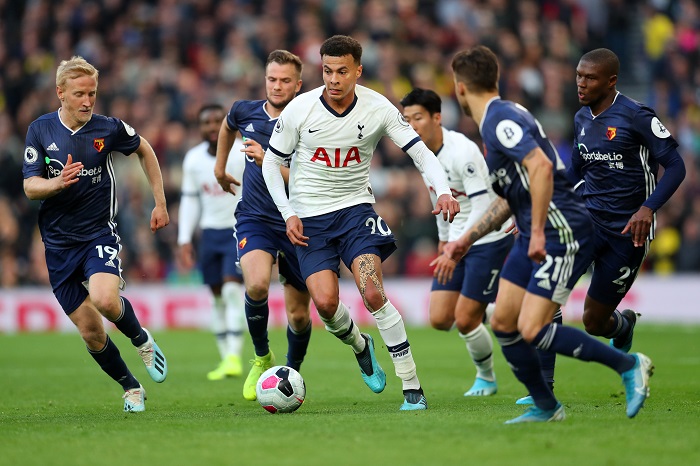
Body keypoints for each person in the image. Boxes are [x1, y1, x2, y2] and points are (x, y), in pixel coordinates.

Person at [435, 45, 653, 423]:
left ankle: (629, 365)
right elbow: (509, 197)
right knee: (503, 322)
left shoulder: (499, 120)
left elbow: (539, 167)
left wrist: (536, 231)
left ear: (460, 89)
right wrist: (463, 241)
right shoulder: (500, 119)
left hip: (560, 229)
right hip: (535, 232)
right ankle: (547, 406)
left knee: (533, 326)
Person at [262, 35, 460, 411]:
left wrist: (444, 190)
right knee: (324, 302)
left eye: (341, 71)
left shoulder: (378, 107)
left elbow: (420, 152)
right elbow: (272, 163)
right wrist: (288, 212)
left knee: (372, 293)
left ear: (358, 71)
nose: (333, 79)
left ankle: (412, 387)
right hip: (309, 219)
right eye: (326, 71)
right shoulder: (300, 109)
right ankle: (360, 345)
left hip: (355, 213)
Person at [516, 48, 687, 407]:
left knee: (594, 321)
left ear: (611, 81)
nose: (581, 82)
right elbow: (574, 173)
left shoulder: (637, 115)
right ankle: (543, 391)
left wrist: (647, 208)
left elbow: (675, 166)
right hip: (586, 222)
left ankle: (622, 326)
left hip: (630, 231)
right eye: (578, 75)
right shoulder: (580, 118)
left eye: (590, 77)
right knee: (548, 296)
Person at [22, 56, 168, 413]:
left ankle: (141, 338)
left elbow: (145, 150)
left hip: (97, 233)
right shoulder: (40, 130)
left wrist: (159, 203)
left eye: (92, 93)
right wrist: (55, 183)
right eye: (79, 94)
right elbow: (29, 187)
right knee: (91, 332)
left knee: (105, 300)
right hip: (57, 245)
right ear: (60, 93)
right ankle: (130, 387)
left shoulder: (108, 128)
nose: (88, 101)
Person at [400, 88, 514, 397]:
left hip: (487, 236)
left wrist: (458, 244)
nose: (411, 126)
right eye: (406, 119)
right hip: (456, 241)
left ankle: (486, 377)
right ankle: (499, 312)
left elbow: (481, 206)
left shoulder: (462, 152)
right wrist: (443, 239)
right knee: (439, 318)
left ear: (437, 117)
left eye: (418, 118)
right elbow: (439, 199)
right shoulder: (421, 153)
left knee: (464, 320)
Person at [215, 50, 313, 401]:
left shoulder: (310, 121)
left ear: (298, 85)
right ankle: (261, 357)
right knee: (256, 285)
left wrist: (269, 161)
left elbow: (311, 180)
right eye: (272, 79)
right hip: (255, 218)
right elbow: (227, 126)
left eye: (286, 80)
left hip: (297, 222)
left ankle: (291, 372)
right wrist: (218, 167)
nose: (277, 86)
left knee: (299, 316)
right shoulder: (246, 110)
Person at [178, 104, 247, 381]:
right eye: (207, 122)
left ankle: (234, 356)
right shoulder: (193, 160)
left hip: (238, 230)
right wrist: (184, 238)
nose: (212, 126)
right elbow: (190, 200)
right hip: (209, 235)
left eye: (218, 121)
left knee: (232, 292)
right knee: (216, 298)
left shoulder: (243, 152)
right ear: (199, 127)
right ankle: (225, 359)